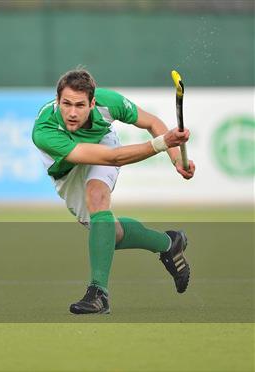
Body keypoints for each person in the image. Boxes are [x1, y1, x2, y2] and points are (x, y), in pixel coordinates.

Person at [32, 69, 196, 314]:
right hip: (67, 169)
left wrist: (176, 158)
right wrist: (164, 143)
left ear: (93, 103)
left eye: (80, 105)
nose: (73, 112)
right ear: (57, 101)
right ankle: (168, 243)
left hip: (102, 143)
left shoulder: (110, 102)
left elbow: (152, 123)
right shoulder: (44, 131)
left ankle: (99, 294)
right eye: (66, 104)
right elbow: (111, 158)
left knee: (97, 197)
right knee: (111, 233)